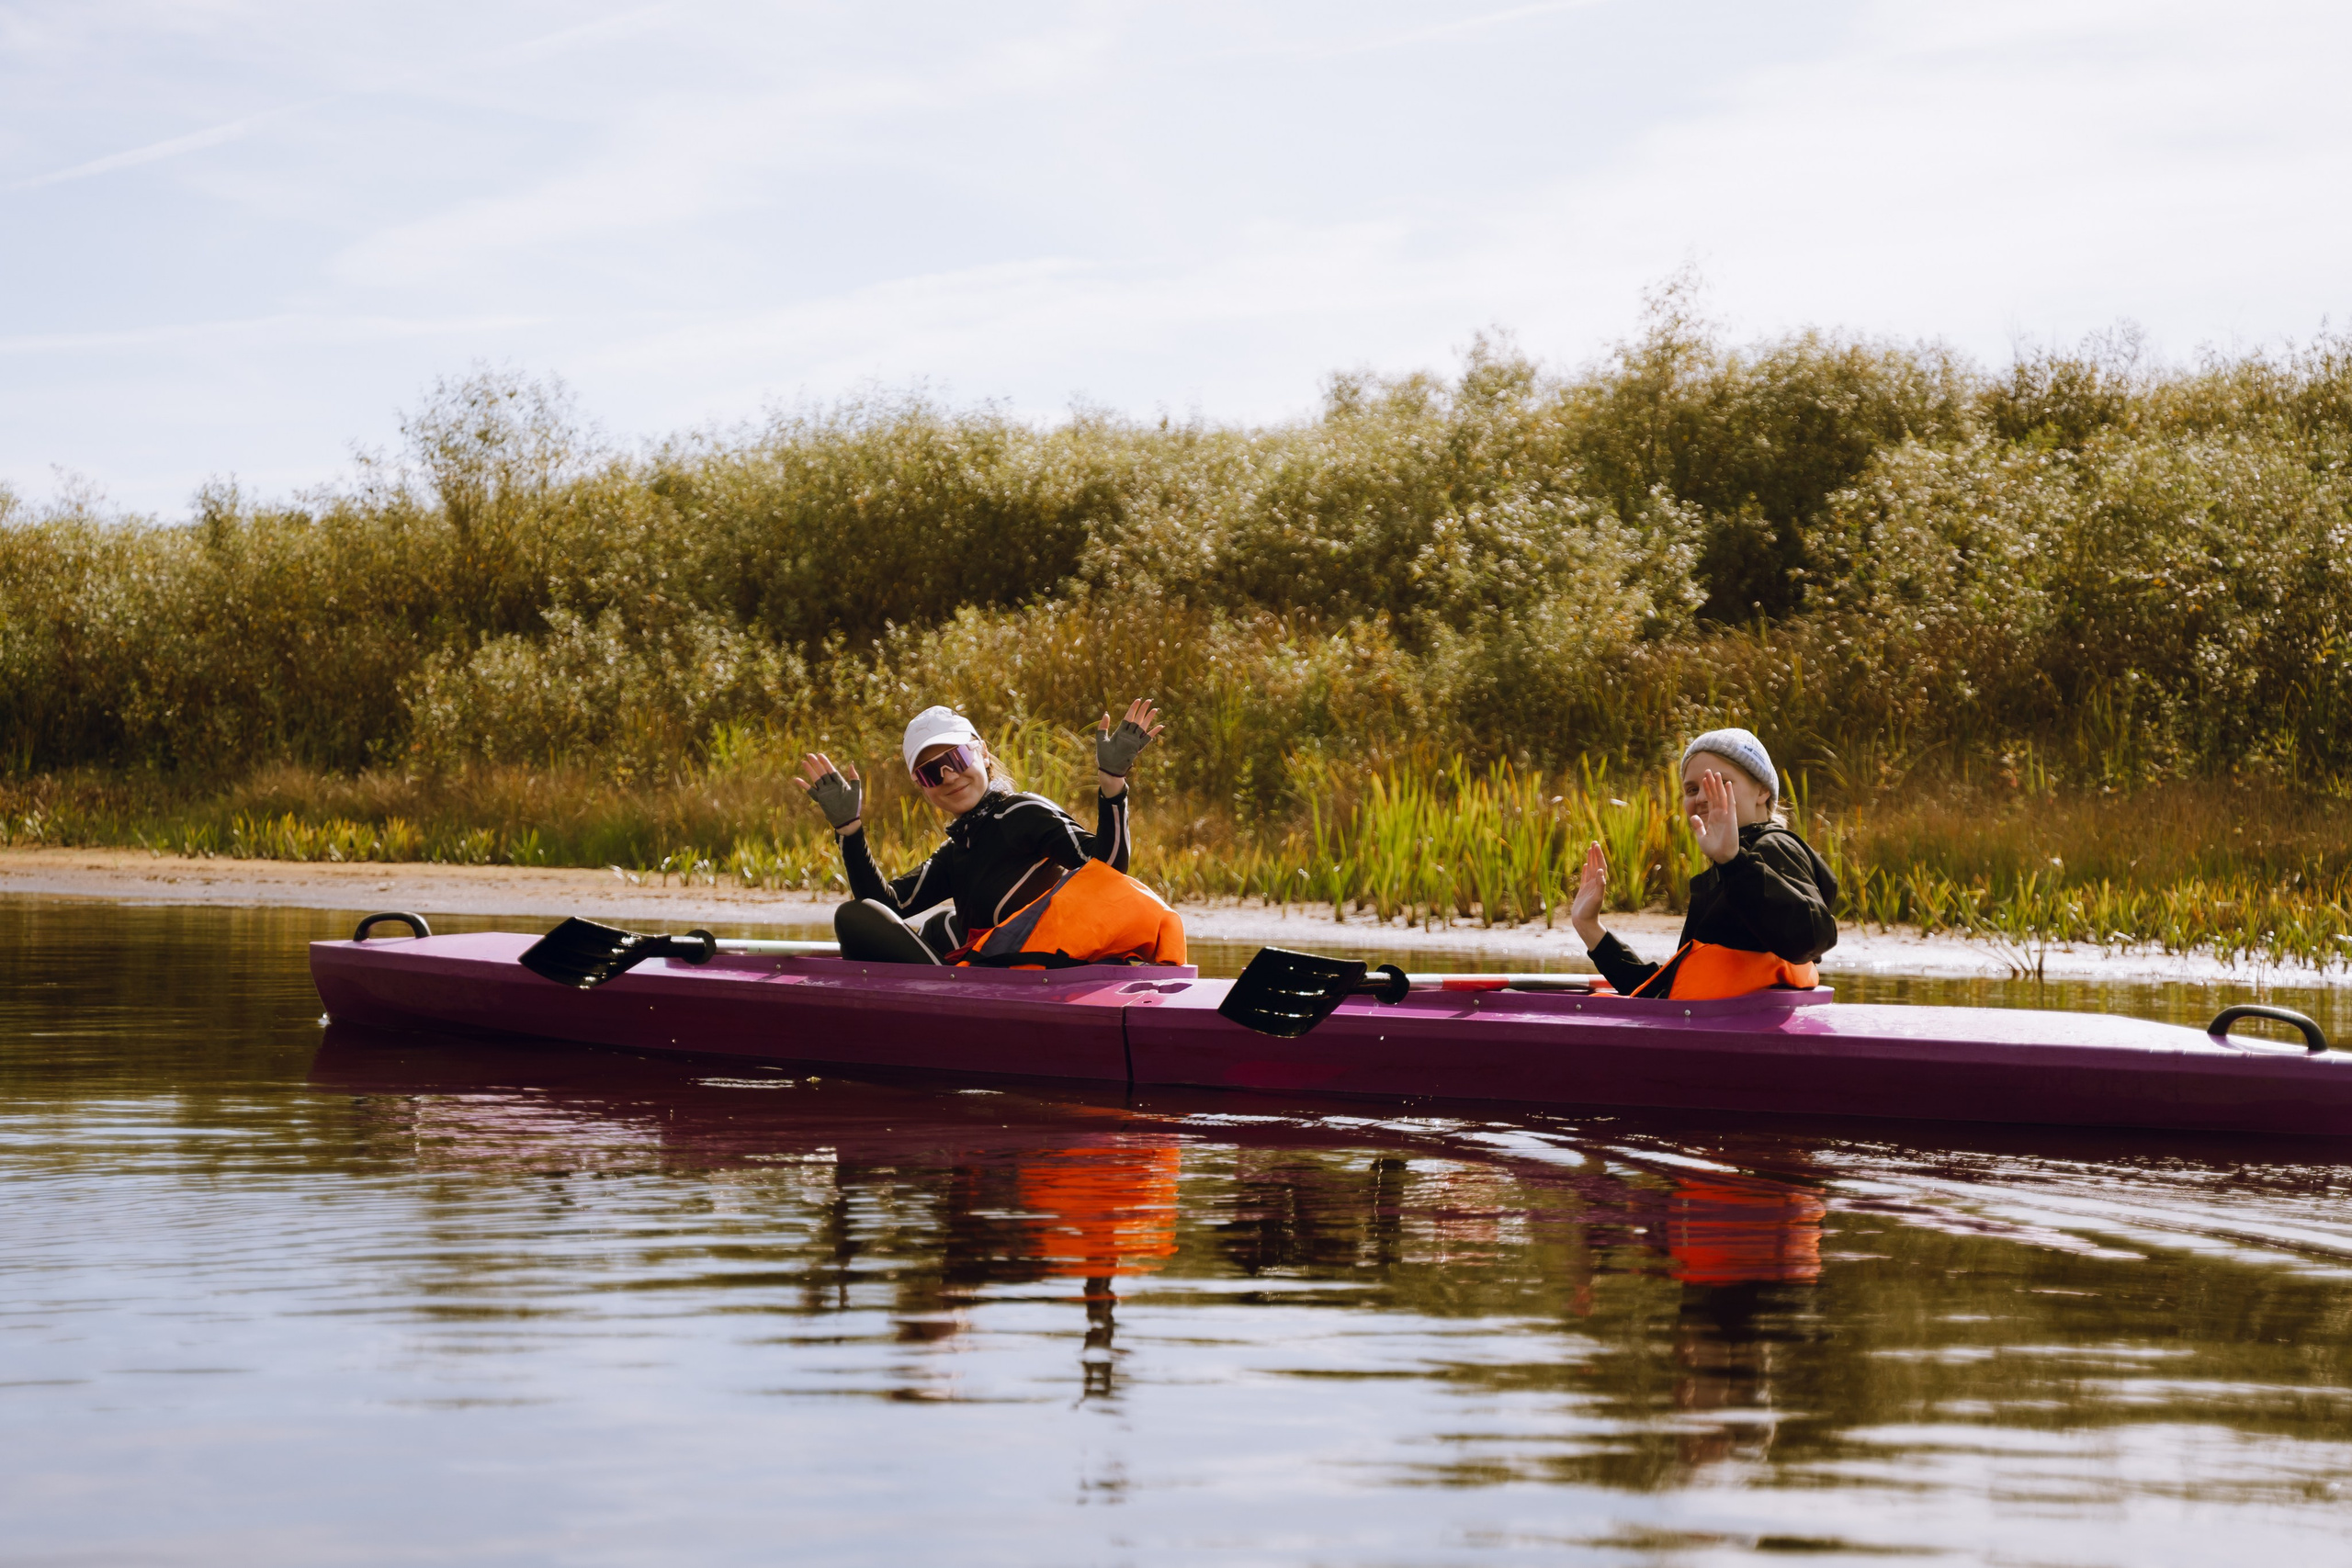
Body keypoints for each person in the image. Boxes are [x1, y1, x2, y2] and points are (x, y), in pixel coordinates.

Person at [797, 699, 1184, 966]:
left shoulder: (1023, 812)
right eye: (931, 772)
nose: (948, 776)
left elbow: (1108, 867)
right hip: (986, 975)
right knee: (925, 925)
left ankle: (932, 997)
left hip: (1033, 978)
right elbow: (885, 907)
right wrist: (850, 831)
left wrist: (1113, 785)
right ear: (923, 787)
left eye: (955, 758)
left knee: (856, 919)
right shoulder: (957, 849)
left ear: (982, 752)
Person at [1566, 728, 1838, 1000]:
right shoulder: (1733, 868)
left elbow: (1811, 940)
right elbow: (1661, 995)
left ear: (1762, 791)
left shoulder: (1772, 847)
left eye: (1718, 783)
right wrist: (1589, 927)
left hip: (1739, 1036)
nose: (1702, 797)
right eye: (1692, 789)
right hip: (1713, 1028)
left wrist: (1733, 862)